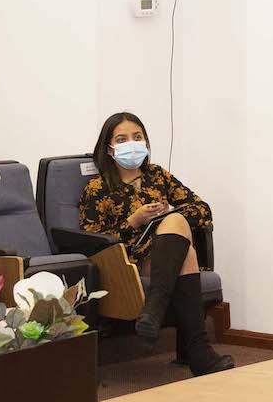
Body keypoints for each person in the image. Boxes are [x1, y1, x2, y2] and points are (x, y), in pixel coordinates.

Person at [77, 112, 234, 376]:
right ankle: (198, 351)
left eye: (137, 137)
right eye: (122, 138)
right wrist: (134, 221)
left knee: (177, 225)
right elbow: (93, 240)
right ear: (109, 148)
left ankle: (155, 308)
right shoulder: (97, 188)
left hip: (163, 256)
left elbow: (202, 209)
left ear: (147, 143)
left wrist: (166, 217)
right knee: (185, 249)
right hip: (127, 261)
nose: (132, 143)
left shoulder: (157, 176)